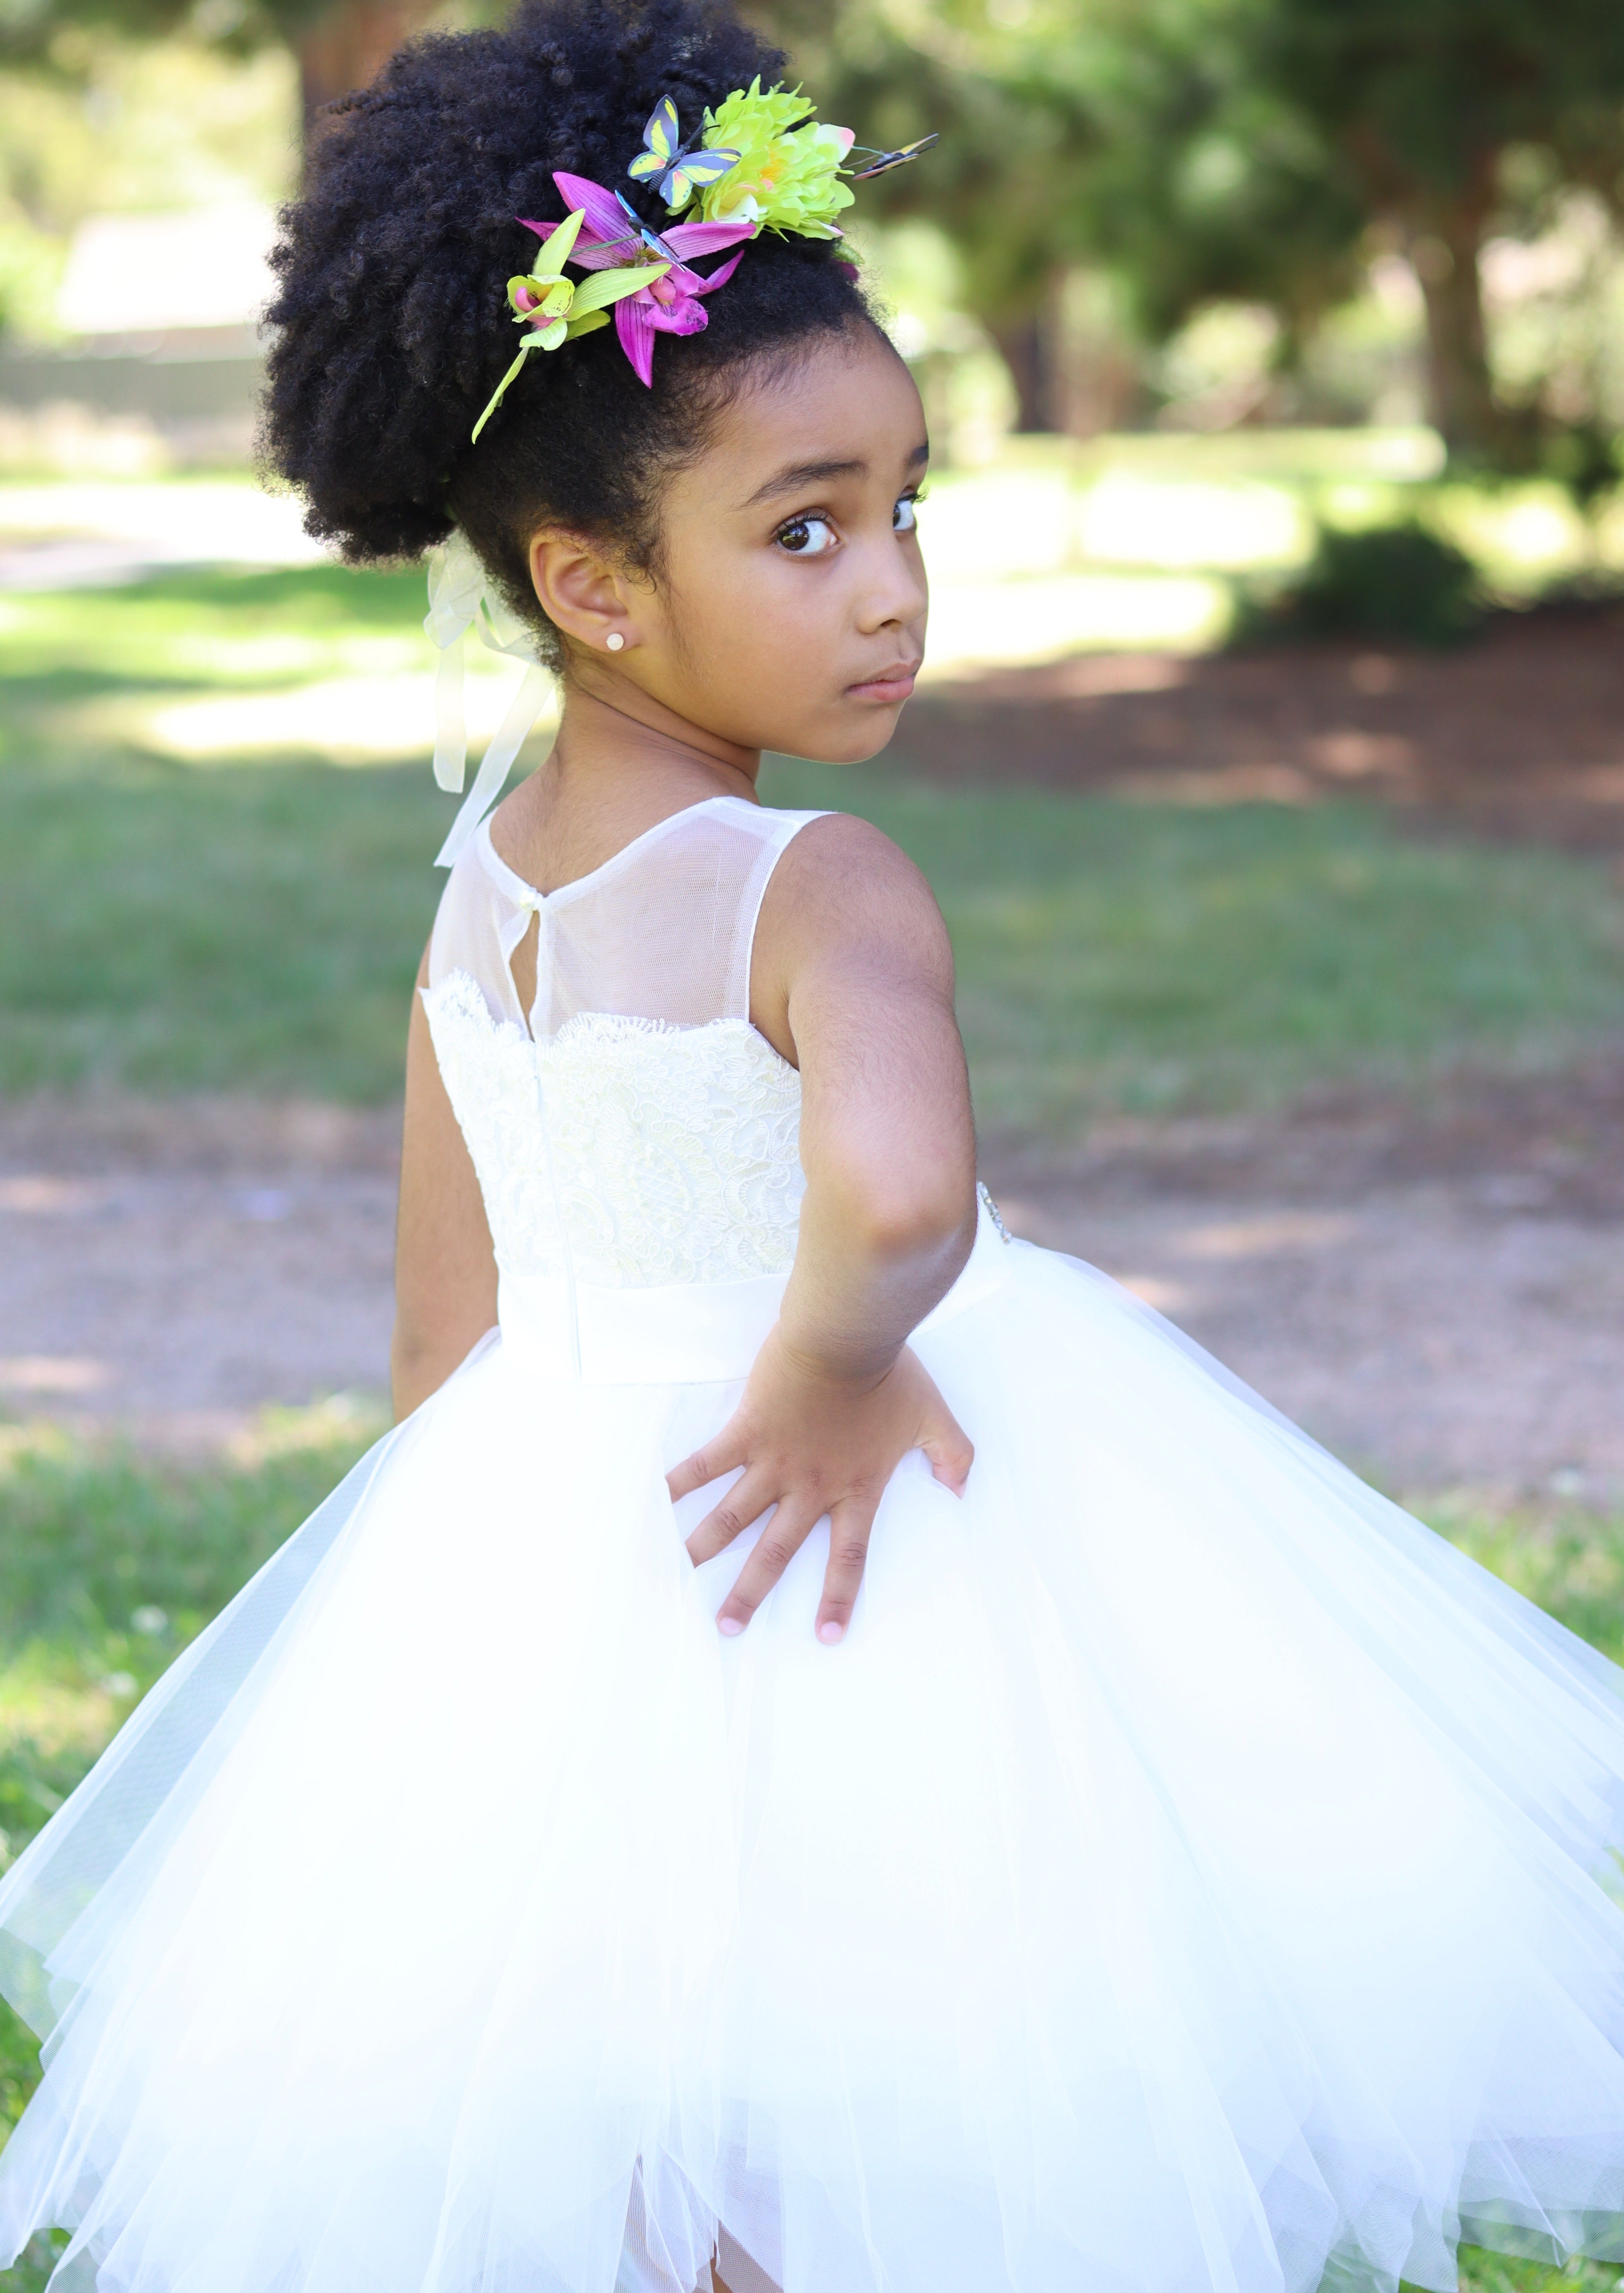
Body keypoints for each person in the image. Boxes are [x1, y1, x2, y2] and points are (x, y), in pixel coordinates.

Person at [5, 3, 1624, 2289]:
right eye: (807, 527)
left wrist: (469, 1586)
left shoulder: (478, 896)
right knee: (928, 1988)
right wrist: (827, 1374)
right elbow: (901, 1201)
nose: (889, 583)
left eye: (904, 508)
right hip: (837, 1507)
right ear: (591, 581)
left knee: (632, 2040)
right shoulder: (820, 882)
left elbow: (439, 1323)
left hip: (556, 1522)